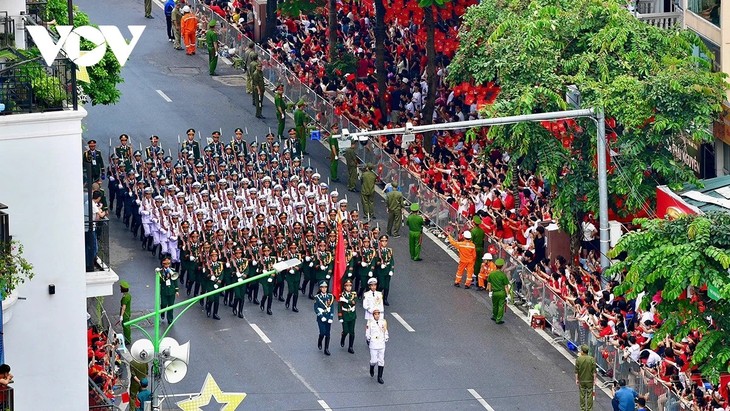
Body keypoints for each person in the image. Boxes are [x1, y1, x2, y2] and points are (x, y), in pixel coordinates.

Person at [365, 308, 388, 384]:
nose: (377, 316)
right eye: (376, 314)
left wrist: (386, 337)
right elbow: (368, 332)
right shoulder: (370, 323)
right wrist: (368, 338)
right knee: (374, 360)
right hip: (374, 343)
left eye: (378, 314)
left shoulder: (383, 322)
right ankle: (371, 367)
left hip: (381, 343)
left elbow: (385, 330)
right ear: (373, 315)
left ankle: (380, 377)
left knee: (381, 360)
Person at [314, 281, 335, 355]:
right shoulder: (317, 297)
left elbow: (332, 308)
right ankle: (320, 341)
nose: (324, 289)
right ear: (320, 288)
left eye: (325, 287)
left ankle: (326, 348)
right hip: (321, 318)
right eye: (322, 287)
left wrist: (331, 317)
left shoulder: (330, 296)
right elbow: (316, 308)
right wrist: (321, 316)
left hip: (328, 317)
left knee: (328, 334)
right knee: (322, 332)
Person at [487, 258, 510, 324]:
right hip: (501, 292)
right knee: (501, 306)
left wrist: (490, 292)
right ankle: (498, 319)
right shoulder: (503, 275)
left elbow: (489, 283)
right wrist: (508, 295)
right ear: (502, 266)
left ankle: (494, 316)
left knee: (495, 305)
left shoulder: (492, 274)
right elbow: (506, 286)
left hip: (494, 292)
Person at [575, 344, 597, 411]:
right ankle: (589, 409)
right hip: (590, 380)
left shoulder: (578, 359)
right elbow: (594, 371)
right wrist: (594, 380)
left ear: (582, 351)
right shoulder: (591, 359)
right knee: (589, 395)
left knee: (582, 395)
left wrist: (576, 379)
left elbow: (576, 371)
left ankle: (582, 408)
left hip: (582, 380)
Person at [338, 279, 357, 354]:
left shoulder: (354, 294)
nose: (349, 287)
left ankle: (350, 347)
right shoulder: (341, 295)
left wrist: (346, 301)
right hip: (345, 314)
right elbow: (339, 307)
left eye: (350, 286)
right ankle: (343, 337)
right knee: (346, 330)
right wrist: (340, 317)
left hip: (352, 314)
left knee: (352, 332)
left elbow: (353, 302)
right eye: (347, 286)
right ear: (344, 287)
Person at [158, 256, 179, 325]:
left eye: (168, 263)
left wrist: (177, 290)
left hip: (171, 290)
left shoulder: (172, 270)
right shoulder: (160, 272)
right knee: (164, 304)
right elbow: (160, 281)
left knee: (171, 305)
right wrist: (165, 277)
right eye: (165, 264)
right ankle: (162, 312)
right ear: (162, 264)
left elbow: (175, 281)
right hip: (164, 291)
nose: (167, 265)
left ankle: (170, 319)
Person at [470, 216, 485, 280]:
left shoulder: (473, 231)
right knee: (479, 261)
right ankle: (479, 274)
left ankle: (474, 274)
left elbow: (471, 241)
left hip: (474, 248)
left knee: (474, 262)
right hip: (480, 248)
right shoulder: (482, 231)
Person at [119, 280, 132, 345]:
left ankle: (127, 340)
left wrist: (121, 316)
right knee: (127, 327)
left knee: (126, 328)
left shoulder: (125, 297)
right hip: (128, 313)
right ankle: (128, 339)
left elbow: (123, 307)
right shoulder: (128, 295)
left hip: (125, 314)